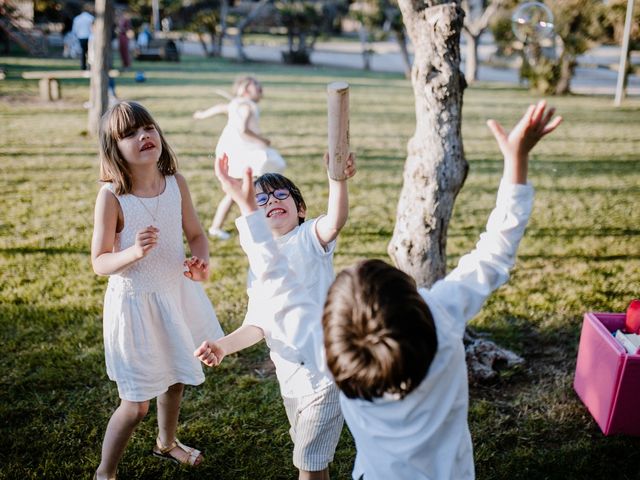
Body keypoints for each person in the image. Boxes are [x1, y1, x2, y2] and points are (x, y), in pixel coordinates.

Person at [321, 100, 562, 480]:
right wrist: (516, 159)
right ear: (415, 295)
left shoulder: (333, 357)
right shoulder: (442, 314)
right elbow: (496, 252)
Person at [195, 150, 355, 480]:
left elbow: (336, 219)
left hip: (325, 373)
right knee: (311, 459)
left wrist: (336, 179)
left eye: (282, 194)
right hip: (291, 380)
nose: (272, 201)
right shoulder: (259, 268)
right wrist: (223, 346)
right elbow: (258, 325)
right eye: (262, 199)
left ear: (300, 209)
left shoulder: (310, 237)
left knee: (307, 463)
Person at [91, 101, 224, 480]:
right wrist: (133, 251)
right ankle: (106, 472)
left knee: (177, 376)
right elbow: (99, 262)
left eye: (147, 127)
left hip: (175, 296)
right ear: (114, 150)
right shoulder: (112, 197)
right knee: (135, 406)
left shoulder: (175, 184)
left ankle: (166, 443)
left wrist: (199, 263)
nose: (143, 136)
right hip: (136, 305)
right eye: (130, 134)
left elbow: (196, 236)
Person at [193, 76, 286, 240]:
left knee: (236, 190)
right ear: (244, 90)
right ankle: (263, 225)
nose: (260, 88)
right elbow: (243, 130)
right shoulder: (248, 107)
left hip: (232, 151)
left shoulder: (235, 104)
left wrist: (201, 114)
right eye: (256, 86)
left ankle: (217, 226)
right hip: (244, 153)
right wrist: (263, 140)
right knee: (252, 188)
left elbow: (219, 108)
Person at [72, 5, 94, 70]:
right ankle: (90, 66)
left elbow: (74, 30)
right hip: (89, 37)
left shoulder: (77, 18)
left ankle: (83, 66)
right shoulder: (91, 18)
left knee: (83, 52)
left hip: (81, 37)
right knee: (90, 52)